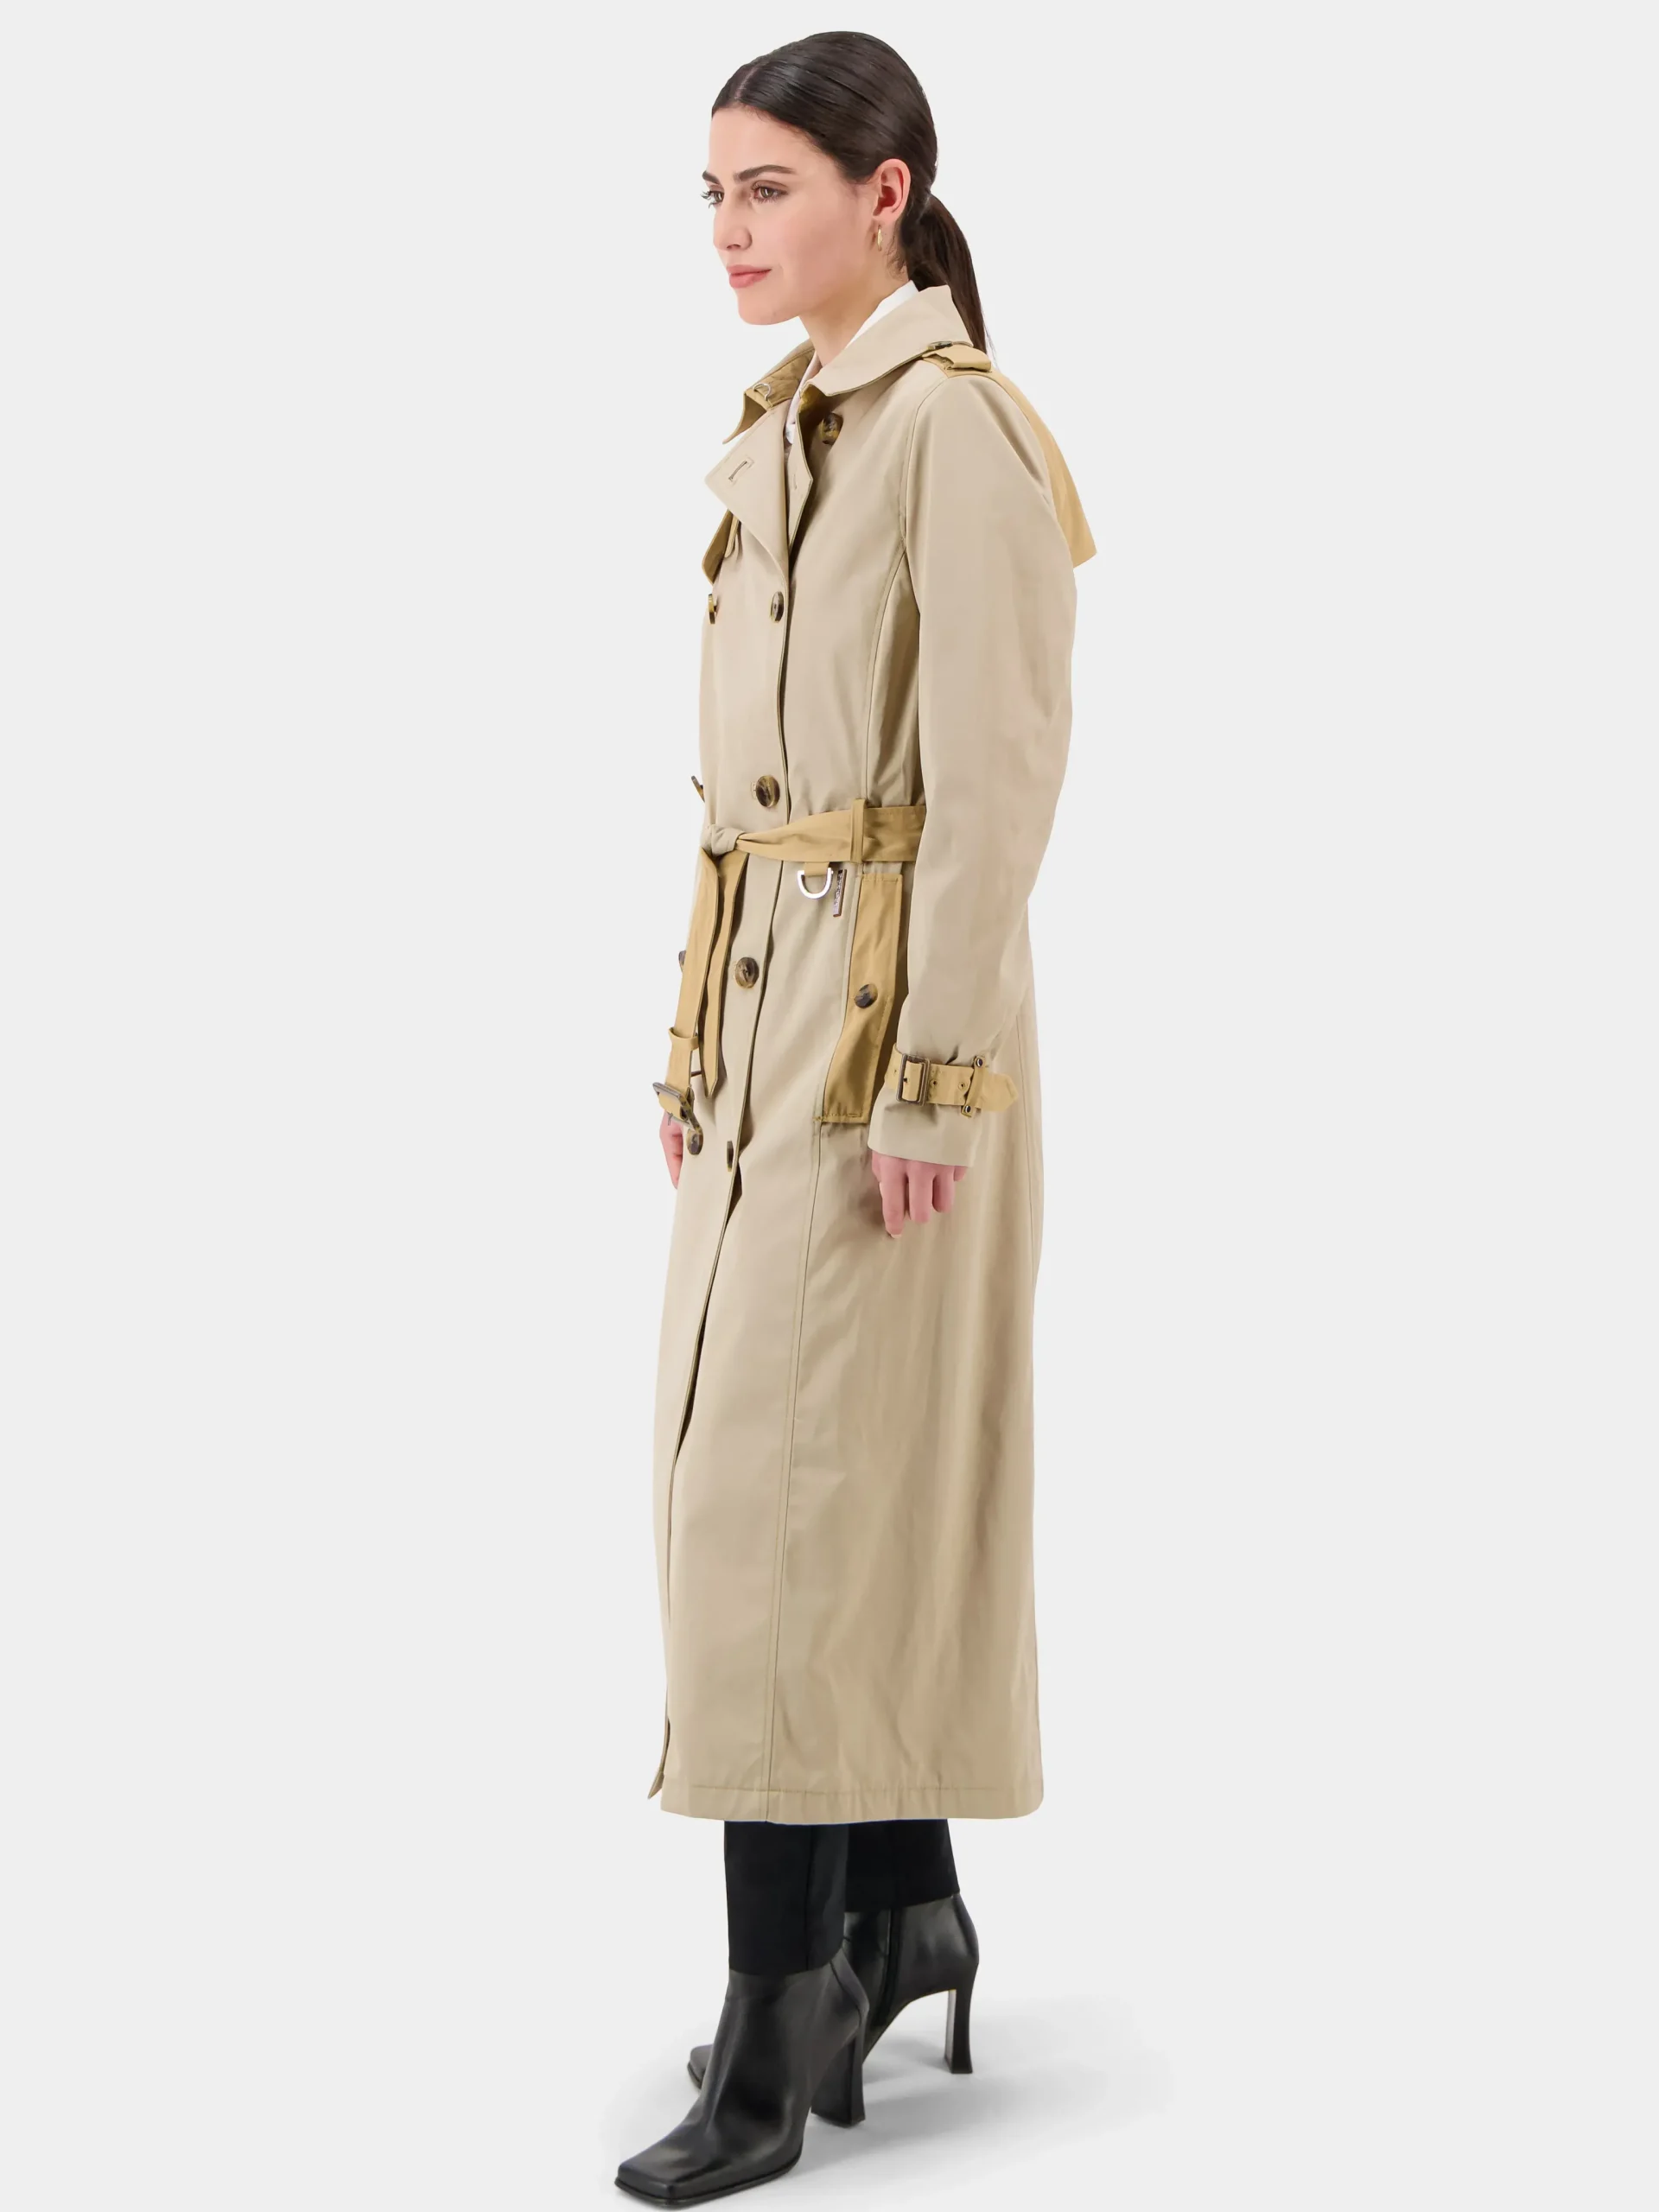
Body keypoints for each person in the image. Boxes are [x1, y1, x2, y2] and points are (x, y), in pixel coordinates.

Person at [618, 30, 1093, 2203]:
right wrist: (691, 1046)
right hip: (766, 1028)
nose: (731, 229)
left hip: (892, 1042)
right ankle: (903, 1914)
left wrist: (938, 1082)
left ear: (885, 195)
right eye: (714, 192)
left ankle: (773, 2013)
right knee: (795, 1493)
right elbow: (742, 807)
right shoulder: (786, 425)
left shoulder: (956, 434)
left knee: (784, 1526)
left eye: (772, 190)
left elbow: (993, 796)